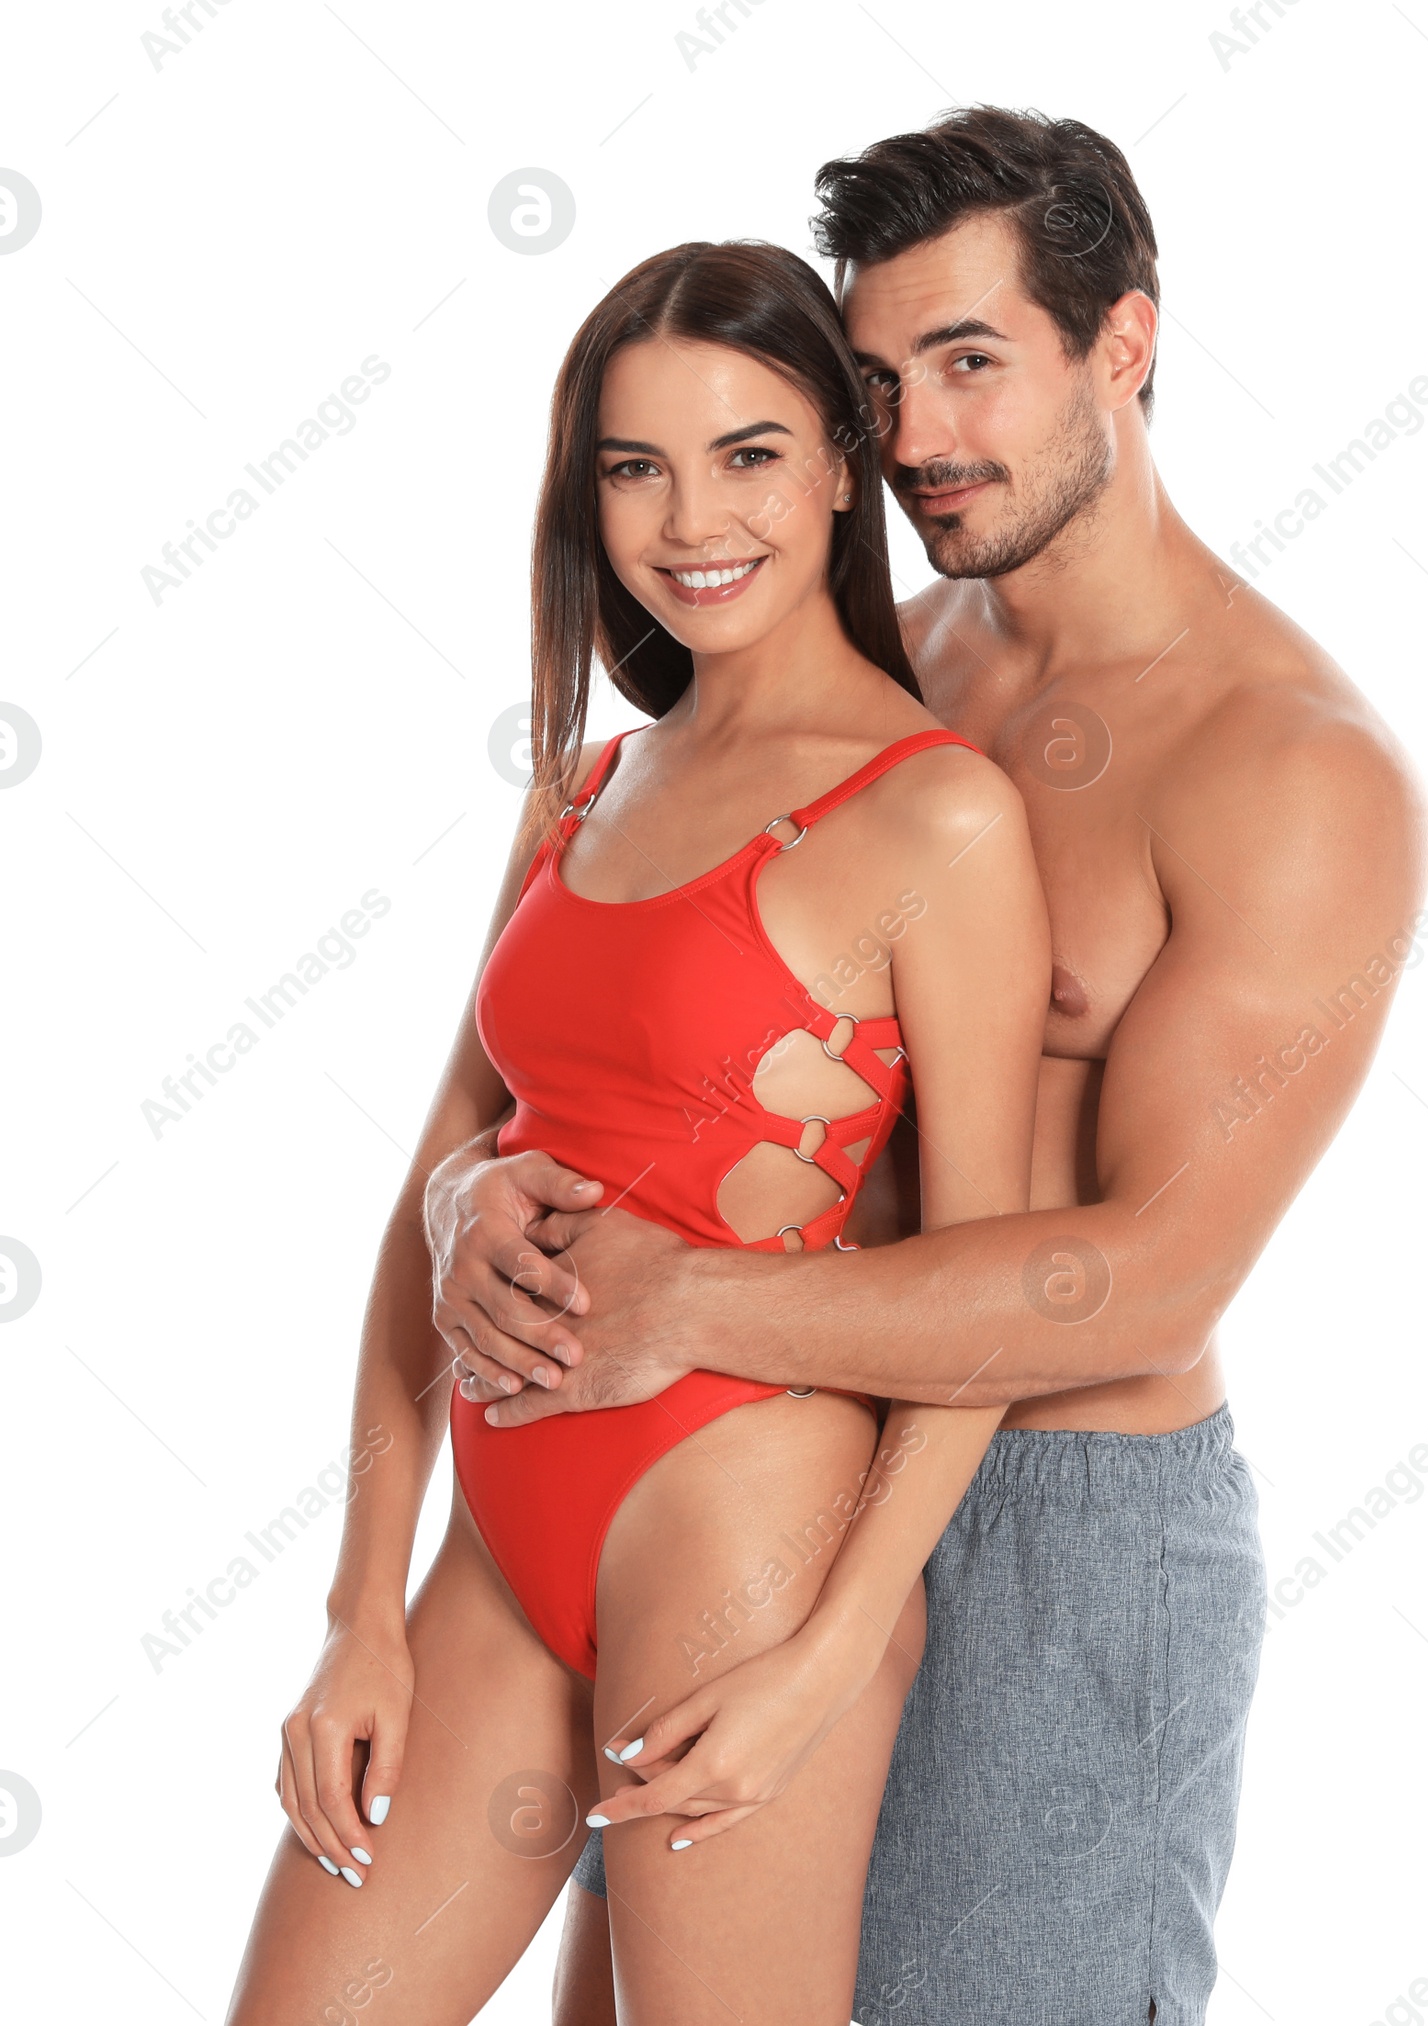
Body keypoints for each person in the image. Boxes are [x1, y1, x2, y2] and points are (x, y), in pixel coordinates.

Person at [432, 108, 1428, 2026]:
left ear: (1123, 346)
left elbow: (1150, 1275)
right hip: (755, 1464)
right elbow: (647, 1029)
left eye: (974, 361)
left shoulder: (1290, 768)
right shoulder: (891, 666)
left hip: (1059, 1531)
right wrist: (470, 1186)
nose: (919, 439)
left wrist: (688, 1298)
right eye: (879, 382)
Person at [222, 237, 1052, 2025]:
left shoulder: (939, 822)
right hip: (501, 1542)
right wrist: (361, 1607)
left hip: (738, 1528)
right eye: (635, 465)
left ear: (842, 458)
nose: (692, 519)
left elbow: (985, 1295)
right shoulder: (587, 781)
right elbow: (440, 1172)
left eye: (748, 452)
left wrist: (824, 1660)